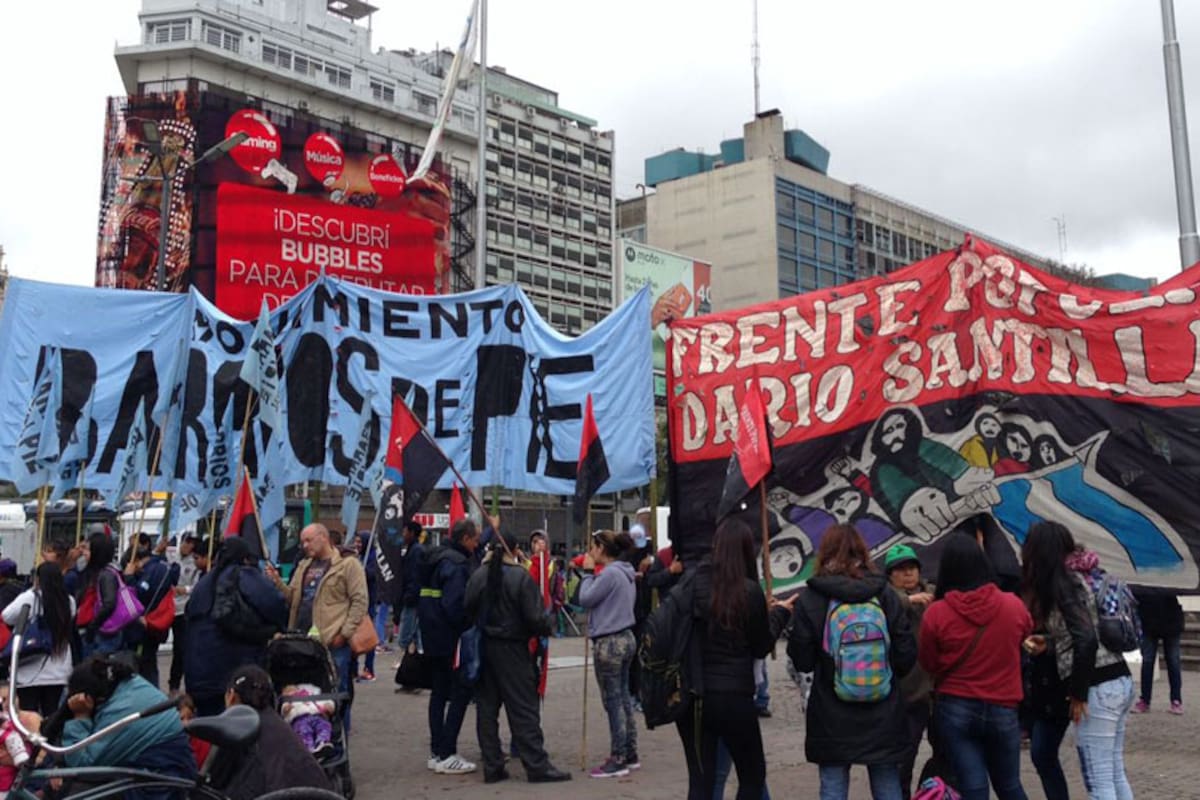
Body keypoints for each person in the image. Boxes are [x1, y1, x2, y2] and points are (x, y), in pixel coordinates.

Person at [787, 523, 915, 800]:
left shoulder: (812, 597)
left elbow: (803, 661)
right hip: (883, 708)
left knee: (833, 786)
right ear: (863, 552)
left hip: (831, 713)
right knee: (887, 784)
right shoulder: (884, 593)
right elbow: (906, 653)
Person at [675, 518, 791, 800]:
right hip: (734, 696)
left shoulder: (690, 584)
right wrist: (779, 614)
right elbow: (760, 646)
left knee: (701, 780)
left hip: (694, 695)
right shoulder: (748, 591)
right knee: (752, 775)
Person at [1021, 521, 1134, 800]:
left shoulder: (1063, 581)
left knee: (1098, 782)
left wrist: (1078, 694)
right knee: (1114, 772)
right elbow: (1082, 632)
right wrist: (1050, 644)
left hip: (1097, 688)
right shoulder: (1087, 574)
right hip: (1119, 678)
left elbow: (1086, 639)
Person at [919, 535, 1032, 800]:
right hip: (1003, 704)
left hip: (957, 706)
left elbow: (928, 662)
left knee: (973, 787)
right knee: (1010, 785)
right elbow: (1024, 634)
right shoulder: (1013, 605)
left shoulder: (936, 612)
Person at [465, 529, 571, 784]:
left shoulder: (478, 576)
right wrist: (548, 623)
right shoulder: (519, 577)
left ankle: (492, 765)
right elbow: (535, 618)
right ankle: (536, 765)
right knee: (524, 708)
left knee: (487, 710)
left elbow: (467, 608)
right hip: (513, 649)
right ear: (514, 550)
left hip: (485, 649)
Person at [54, 654, 196, 800]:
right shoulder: (130, 683)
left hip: (159, 781)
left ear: (90, 698)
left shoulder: (119, 711)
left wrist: (80, 717)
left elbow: (83, 765)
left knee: (79, 793)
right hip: (165, 768)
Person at [270, 523, 369, 730]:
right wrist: (277, 582)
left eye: (308, 540)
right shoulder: (304, 565)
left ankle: (339, 740)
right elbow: (293, 599)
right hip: (303, 643)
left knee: (334, 696)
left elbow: (360, 601)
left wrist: (344, 634)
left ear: (323, 537)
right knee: (305, 694)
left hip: (332, 642)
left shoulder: (347, 565)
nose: (304, 545)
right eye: (302, 541)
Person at [186, 537, 288, 717]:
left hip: (199, 676)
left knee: (208, 732)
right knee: (239, 731)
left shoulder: (203, 583)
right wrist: (272, 629)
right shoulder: (244, 576)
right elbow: (275, 603)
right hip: (234, 673)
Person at [207, 665, 333, 800]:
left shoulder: (237, 727)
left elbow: (216, 780)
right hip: (320, 793)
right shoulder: (279, 723)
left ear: (231, 695)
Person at [418, 517, 480, 775]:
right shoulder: (457, 564)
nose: (477, 544)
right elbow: (454, 605)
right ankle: (447, 752)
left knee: (438, 693)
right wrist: (469, 624)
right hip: (450, 638)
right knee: (460, 692)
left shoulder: (434, 557)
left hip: (431, 635)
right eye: (475, 539)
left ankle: (436, 751)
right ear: (465, 538)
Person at [577, 530, 639, 778]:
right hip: (625, 636)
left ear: (601, 548)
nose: (591, 551)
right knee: (623, 696)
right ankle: (629, 750)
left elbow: (585, 598)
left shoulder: (610, 573)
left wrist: (588, 572)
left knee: (613, 700)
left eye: (593, 547)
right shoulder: (626, 571)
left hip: (610, 641)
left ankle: (619, 756)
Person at [882, 544, 935, 800]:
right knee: (904, 760)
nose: (908, 574)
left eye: (912, 568)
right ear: (890, 574)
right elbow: (882, 604)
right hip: (906, 694)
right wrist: (906, 600)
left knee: (947, 755)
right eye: (901, 569)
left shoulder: (933, 594)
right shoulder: (886, 598)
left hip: (936, 692)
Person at [1, 562, 77, 717]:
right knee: (51, 714)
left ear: (38, 579)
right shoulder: (69, 601)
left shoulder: (29, 597)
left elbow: (7, 616)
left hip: (29, 670)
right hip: (59, 670)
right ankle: (49, 740)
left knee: (28, 715)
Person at [124, 533, 179, 688]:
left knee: (145, 665)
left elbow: (140, 594)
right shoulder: (162, 565)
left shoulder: (152, 571)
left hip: (146, 623)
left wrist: (129, 578)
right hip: (153, 624)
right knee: (149, 663)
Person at [1131, 586, 1184, 714]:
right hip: (1150, 621)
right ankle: (1145, 700)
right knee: (1149, 661)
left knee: (1173, 661)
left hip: (1169, 621)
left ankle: (1175, 700)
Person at [75, 532, 124, 658]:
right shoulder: (90, 572)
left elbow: (109, 603)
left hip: (101, 632)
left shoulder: (106, 574)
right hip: (89, 629)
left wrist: (93, 626)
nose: (84, 552)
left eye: (88, 549)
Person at [168, 533, 202, 697]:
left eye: (192, 543)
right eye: (187, 542)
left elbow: (197, 586)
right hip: (168, 608)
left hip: (183, 609)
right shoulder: (172, 556)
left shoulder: (194, 563)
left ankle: (176, 684)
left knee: (181, 649)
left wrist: (185, 590)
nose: (188, 546)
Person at [281, 681, 337, 758]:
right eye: (288, 691)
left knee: (325, 726)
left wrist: (329, 706)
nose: (291, 692)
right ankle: (308, 748)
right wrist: (286, 707)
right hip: (300, 719)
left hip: (317, 716)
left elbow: (326, 702)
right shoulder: (290, 702)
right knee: (303, 730)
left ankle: (322, 742)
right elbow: (284, 711)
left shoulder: (313, 697)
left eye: (293, 689)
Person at [354, 531, 379, 683]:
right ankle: (354, 668)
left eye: (360, 542)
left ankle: (369, 668)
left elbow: (372, 575)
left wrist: (360, 570)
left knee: (368, 636)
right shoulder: (360, 557)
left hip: (368, 601)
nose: (357, 545)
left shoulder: (373, 557)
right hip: (358, 602)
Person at [398, 520, 425, 654]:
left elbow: (415, 575)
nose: (402, 534)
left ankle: (407, 657)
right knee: (415, 633)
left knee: (407, 633)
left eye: (405, 531)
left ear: (412, 533)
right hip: (411, 597)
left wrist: (410, 594)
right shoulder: (411, 550)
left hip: (413, 598)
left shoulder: (417, 551)